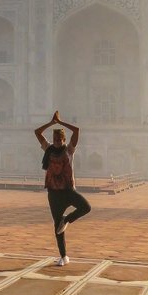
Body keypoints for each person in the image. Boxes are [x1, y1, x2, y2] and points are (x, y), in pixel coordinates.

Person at [34, 110, 91, 266]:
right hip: (53, 193)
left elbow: (77, 131)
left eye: (60, 139)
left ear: (64, 140)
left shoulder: (69, 150)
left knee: (86, 207)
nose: (57, 141)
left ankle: (68, 219)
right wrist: (52, 123)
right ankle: (63, 256)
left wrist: (61, 122)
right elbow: (37, 132)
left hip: (68, 190)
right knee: (57, 226)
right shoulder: (49, 149)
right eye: (55, 139)